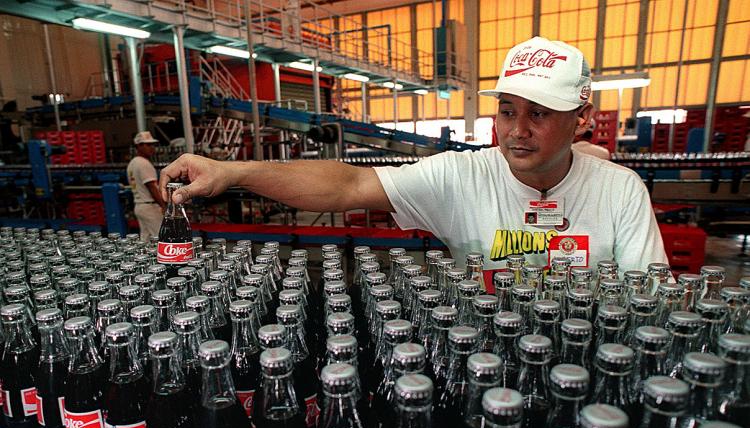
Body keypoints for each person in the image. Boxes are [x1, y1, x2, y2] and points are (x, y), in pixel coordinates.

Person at [158, 37, 668, 274]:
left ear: (581, 117)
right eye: (508, 111)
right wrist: (232, 171)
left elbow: (648, 303)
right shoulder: (461, 177)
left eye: (539, 114)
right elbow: (346, 186)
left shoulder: (619, 191)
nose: (517, 130)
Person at [127, 131, 165, 242]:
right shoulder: (143, 164)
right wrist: (164, 206)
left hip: (140, 206)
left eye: (152, 145)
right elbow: (152, 187)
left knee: (146, 239)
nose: (152, 148)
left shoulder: (133, 163)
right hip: (150, 207)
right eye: (148, 145)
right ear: (138, 146)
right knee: (161, 238)